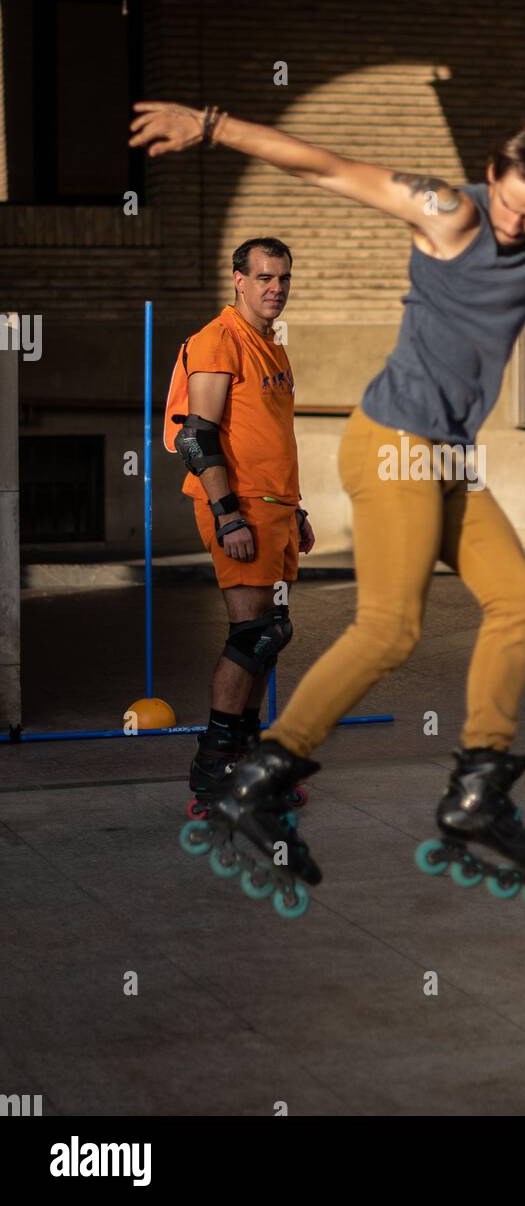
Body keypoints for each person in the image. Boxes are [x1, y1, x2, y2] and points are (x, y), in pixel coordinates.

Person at [133, 0, 525, 907]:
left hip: (444, 461)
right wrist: (212, 124)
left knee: (516, 601)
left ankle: (477, 791)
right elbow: (325, 166)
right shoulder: (444, 211)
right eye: (508, 208)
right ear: (488, 175)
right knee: (389, 627)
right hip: (390, 444)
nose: (515, 229)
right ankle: (260, 777)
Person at [165, 237, 315, 817]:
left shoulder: (272, 347)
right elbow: (195, 437)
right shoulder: (218, 340)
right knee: (250, 636)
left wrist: (295, 508)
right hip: (241, 508)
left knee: (270, 635)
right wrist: (228, 515)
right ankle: (211, 778)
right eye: (264, 277)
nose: (275, 288)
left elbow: (268, 437)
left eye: (283, 278)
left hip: (275, 507)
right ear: (239, 279)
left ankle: (247, 766)